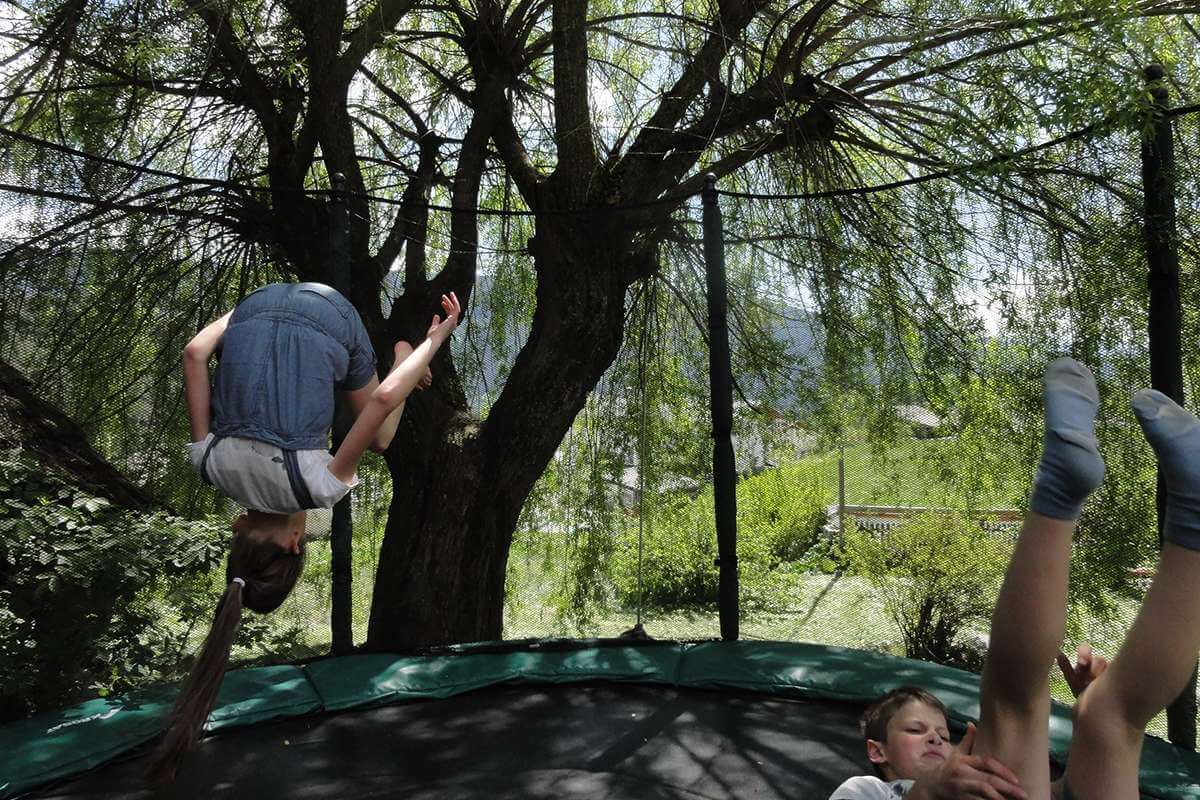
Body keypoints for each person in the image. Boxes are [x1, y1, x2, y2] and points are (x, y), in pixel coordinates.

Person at [831, 357, 1200, 800]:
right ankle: (1062, 491)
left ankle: (1193, 521)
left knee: (1109, 719)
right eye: (915, 730)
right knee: (1010, 705)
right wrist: (928, 792)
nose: (935, 738)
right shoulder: (867, 790)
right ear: (877, 752)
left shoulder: (963, 777)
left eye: (941, 733)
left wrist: (1083, 718)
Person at [145, 282, 461, 783]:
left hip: (335, 313)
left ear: (296, 544)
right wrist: (247, 313)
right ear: (237, 526)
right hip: (254, 304)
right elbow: (195, 352)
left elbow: (381, 399)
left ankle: (405, 357)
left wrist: (435, 339)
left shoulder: (318, 488)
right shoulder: (208, 465)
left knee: (379, 436)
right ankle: (405, 361)